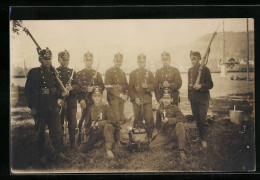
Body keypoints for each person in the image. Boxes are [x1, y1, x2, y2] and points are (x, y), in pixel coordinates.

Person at [24, 47, 67, 163]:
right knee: (40, 132)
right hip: (40, 107)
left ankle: (59, 151)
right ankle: (40, 154)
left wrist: (60, 95)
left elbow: (56, 90)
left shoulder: (54, 73)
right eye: (45, 59)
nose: (48, 61)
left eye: (50, 59)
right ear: (40, 60)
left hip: (53, 107)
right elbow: (28, 91)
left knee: (57, 130)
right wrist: (32, 107)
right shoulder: (34, 72)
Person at [78, 87, 117, 159]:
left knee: (108, 126)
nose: (97, 98)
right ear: (92, 97)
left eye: (99, 96)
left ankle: (108, 149)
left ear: (101, 96)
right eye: (95, 96)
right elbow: (86, 124)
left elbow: (112, 120)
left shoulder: (106, 107)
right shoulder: (90, 108)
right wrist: (89, 130)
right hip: (95, 132)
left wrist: (99, 123)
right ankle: (98, 143)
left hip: (105, 131)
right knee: (81, 149)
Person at [150, 89, 187, 161]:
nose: (166, 100)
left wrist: (169, 120)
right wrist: (157, 132)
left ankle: (181, 150)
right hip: (165, 133)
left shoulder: (174, 108)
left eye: (168, 98)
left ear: (171, 100)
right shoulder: (159, 109)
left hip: (174, 132)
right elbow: (157, 123)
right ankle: (171, 144)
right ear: (162, 99)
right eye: (164, 98)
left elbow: (183, 119)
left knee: (180, 124)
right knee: (152, 146)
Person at [188, 51, 213, 149]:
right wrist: (190, 96)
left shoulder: (205, 70)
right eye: (191, 59)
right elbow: (189, 85)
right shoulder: (190, 70)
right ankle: (200, 136)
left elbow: (210, 84)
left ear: (199, 59)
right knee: (197, 119)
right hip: (193, 99)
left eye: (194, 59)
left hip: (203, 99)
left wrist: (201, 86)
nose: (192, 61)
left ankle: (203, 139)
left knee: (202, 119)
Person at [57, 50, 80, 149]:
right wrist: (60, 94)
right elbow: (53, 87)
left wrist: (72, 88)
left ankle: (72, 144)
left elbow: (79, 85)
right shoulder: (55, 72)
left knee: (73, 123)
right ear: (59, 60)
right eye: (64, 60)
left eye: (67, 60)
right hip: (60, 101)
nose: (66, 62)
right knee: (59, 123)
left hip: (71, 102)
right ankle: (60, 145)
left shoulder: (72, 72)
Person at [77, 51, 104, 135]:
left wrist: (94, 88)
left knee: (95, 118)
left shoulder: (97, 74)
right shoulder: (79, 74)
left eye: (90, 60)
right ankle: (84, 135)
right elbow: (77, 89)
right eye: (87, 60)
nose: (88, 62)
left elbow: (102, 86)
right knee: (85, 118)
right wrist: (81, 100)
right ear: (84, 61)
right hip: (84, 100)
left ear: (92, 61)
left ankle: (95, 136)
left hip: (94, 101)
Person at [128, 54, 155, 140]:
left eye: (143, 62)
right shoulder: (132, 74)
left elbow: (154, 85)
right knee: (137, 118)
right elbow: (130, 88)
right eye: (140, 62)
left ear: (145, 62)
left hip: (147, 100)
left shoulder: (149, 73)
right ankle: (138, 136)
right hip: (136, 100)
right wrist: (135, 98)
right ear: (137, 62)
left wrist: (147, 86)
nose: (141, 64)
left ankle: (149, 136)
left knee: (148, 118)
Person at [104, 53, 128, 147]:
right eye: (117, 60)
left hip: (121, 100)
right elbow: (107, 86)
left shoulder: (122, 73)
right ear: (114, 60)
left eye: (120, 61)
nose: (119, 62)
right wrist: (119, 95)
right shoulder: (109, 71)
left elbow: (126, 86)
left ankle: (117, 139)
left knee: (120, 119)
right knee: (116, 119)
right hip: (113, 99)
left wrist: (126, 95)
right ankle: (115, 140)